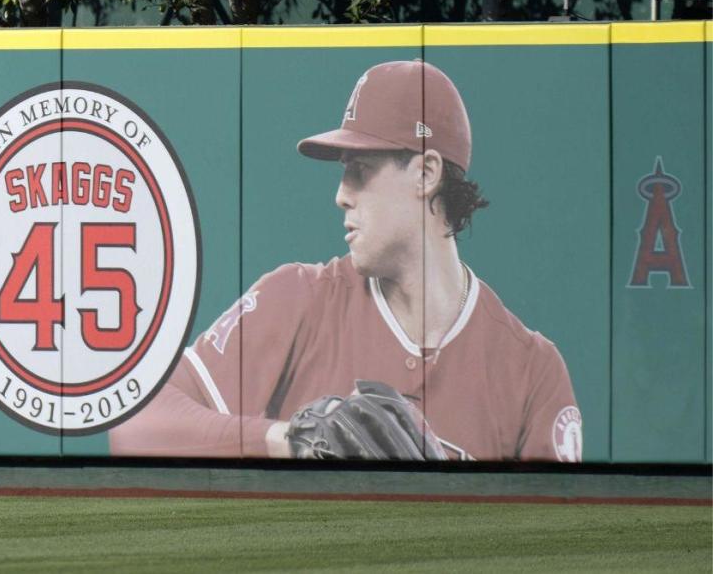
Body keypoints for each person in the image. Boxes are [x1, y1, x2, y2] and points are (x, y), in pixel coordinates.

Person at [109, 60, 582, 462]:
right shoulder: (296, 298)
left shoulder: (532, 370)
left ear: (425, 173)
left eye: (360, 171)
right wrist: (288, 439)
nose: (341, 196)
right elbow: (136, 423)